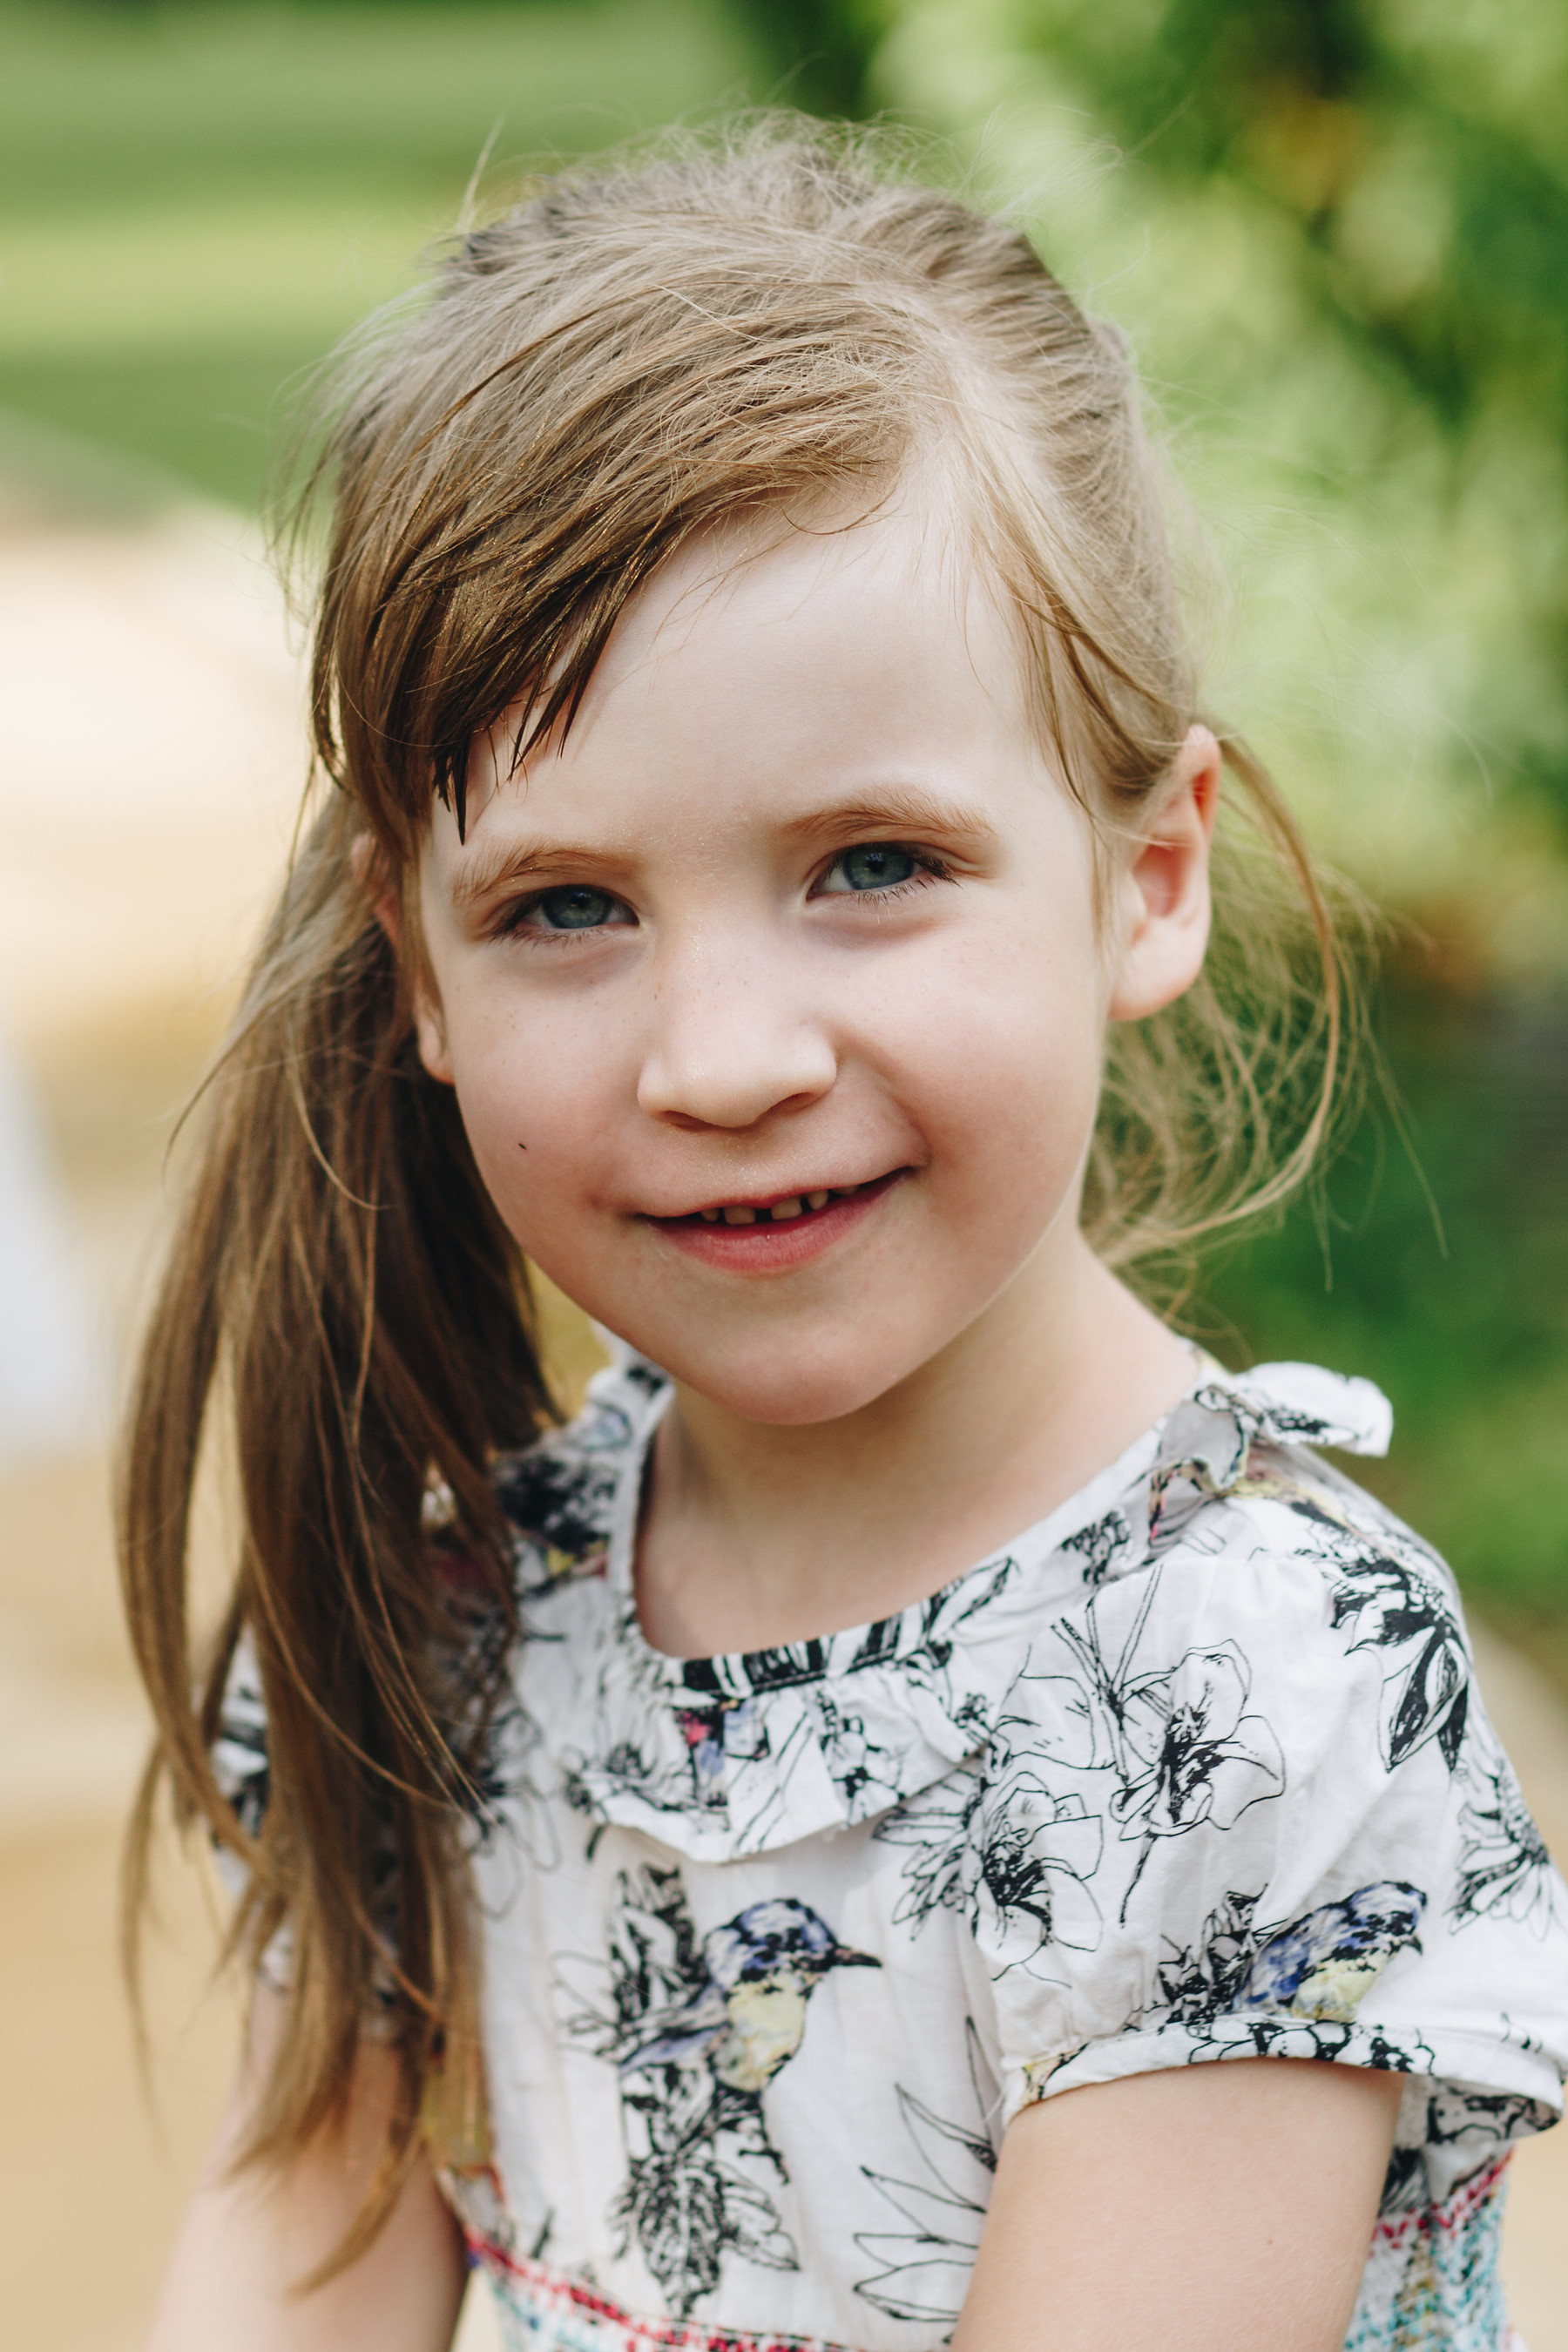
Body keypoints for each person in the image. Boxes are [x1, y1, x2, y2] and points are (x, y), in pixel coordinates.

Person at [122, 123, 1567, 2352]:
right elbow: (294, 2263)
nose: (721, 1057)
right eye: (566, 909)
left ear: (1149, 874)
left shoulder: (1236, 1699)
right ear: (416, 970)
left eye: (873, 863)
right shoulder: (450, 1607)